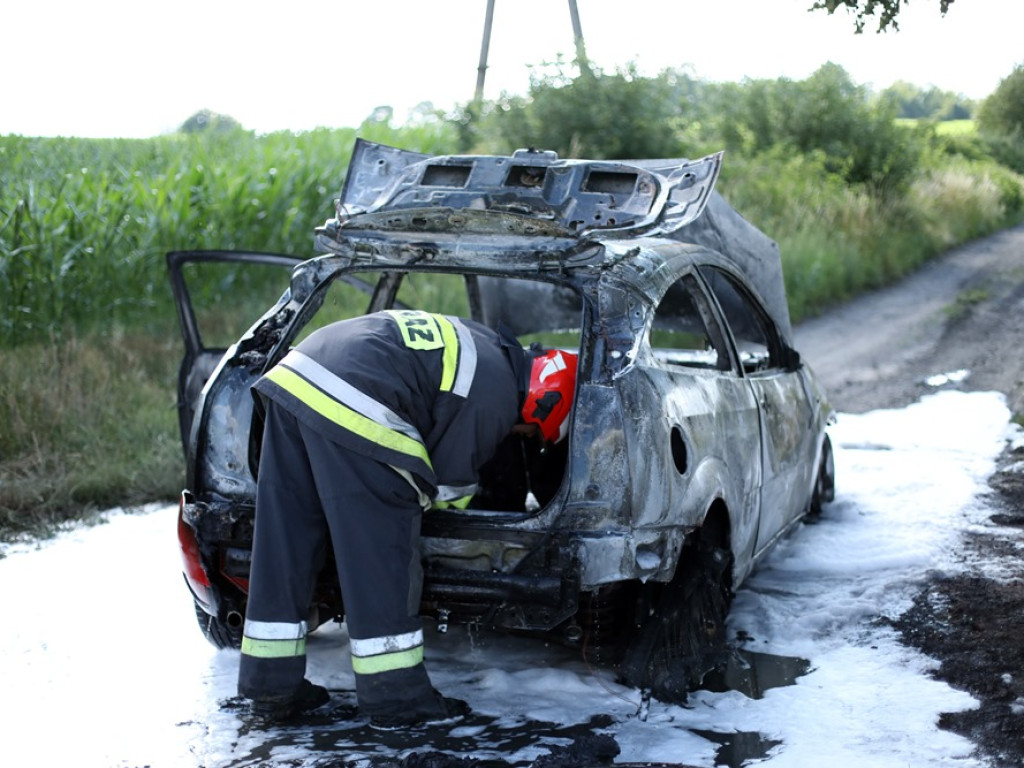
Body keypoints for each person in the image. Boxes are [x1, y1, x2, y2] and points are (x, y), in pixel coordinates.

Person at [236, 308, 578, 727]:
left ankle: (270, 687)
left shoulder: (486, 345)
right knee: (381, 553)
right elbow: (447, 489)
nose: (519, 435)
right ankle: (395, 698)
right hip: (356, 394)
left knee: (284, 540)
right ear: (542, 404)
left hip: (296, 376)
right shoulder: (499, 394)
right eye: (529, 432)